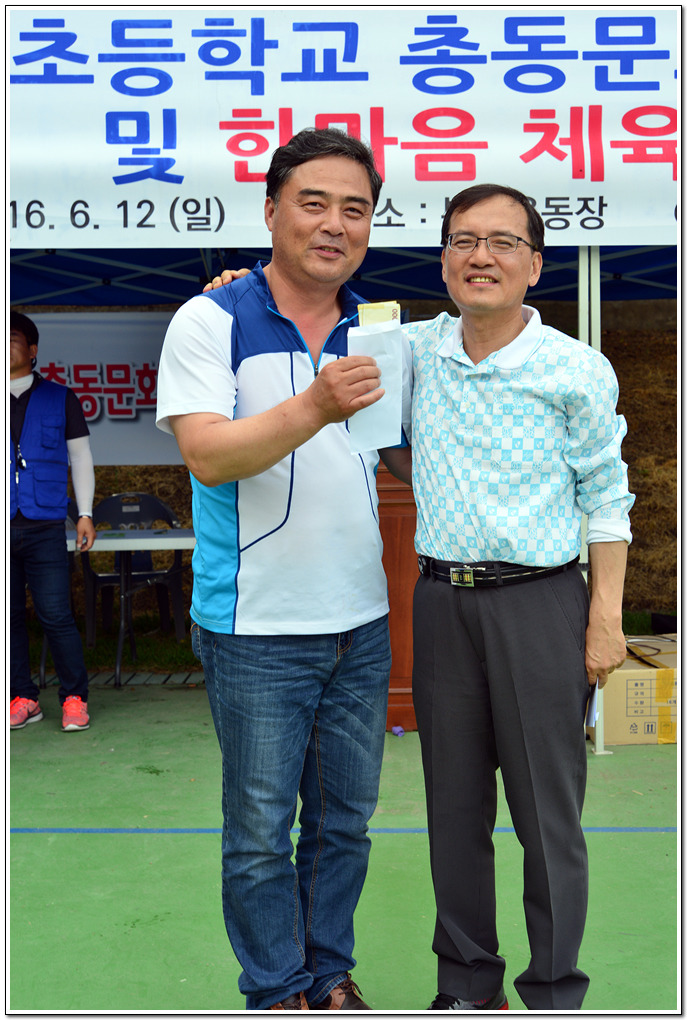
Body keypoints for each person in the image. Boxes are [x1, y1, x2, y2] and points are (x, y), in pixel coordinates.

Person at [155, 128, 405, 1011]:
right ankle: (275, 988)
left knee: (344, 825)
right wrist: (314, 404)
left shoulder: (378, 330)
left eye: (355, 209)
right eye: (314, 203)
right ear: (270, 211)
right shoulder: (209, 319)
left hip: (361, 623)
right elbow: (208, 456)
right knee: (260, 833)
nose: (335, 224)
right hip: (254, 625)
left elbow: (397, 455)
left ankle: (326, 974)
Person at [388, 184, 633, 1011]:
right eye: (463, 240)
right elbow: (315, 327)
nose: (480, 257)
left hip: (539, 603)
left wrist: (603, 621)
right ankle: (466, 985)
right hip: (441, 600)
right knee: (452, 810)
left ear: (533, 263)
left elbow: (606, 498)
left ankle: (554, 988)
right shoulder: (412, 351)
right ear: (443, 260)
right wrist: (236, 289)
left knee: (545, 815)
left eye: (501, 242)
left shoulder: (573, 367)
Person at [10, 310, 96, 732]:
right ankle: (22, 696)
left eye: (12, 339)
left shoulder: (61, 397)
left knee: (56, 614)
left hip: (44, 525)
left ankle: (74, 697)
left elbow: (81, 457)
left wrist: (85, 513)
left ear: (32, 350)